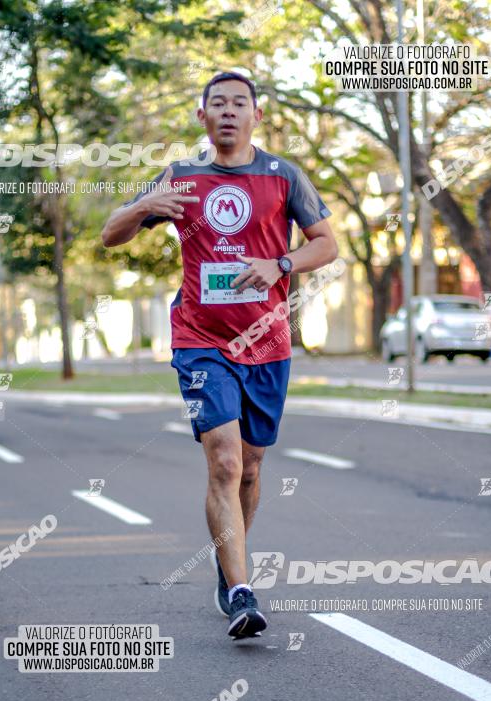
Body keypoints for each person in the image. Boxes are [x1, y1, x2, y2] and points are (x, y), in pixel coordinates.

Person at [102, 71, 338, 639]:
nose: (229, 112)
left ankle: (227, 559)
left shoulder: (283, 176)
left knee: (252, 467)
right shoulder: (181, 176)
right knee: (226, 460)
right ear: (201, 116)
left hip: (267, 343)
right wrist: (145, 207)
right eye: (218, 104)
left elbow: (326, 245)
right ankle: (240, 590)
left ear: (256, 115)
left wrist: (279, 265)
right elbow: (110, 235)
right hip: (201, 341)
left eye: (240, 103)